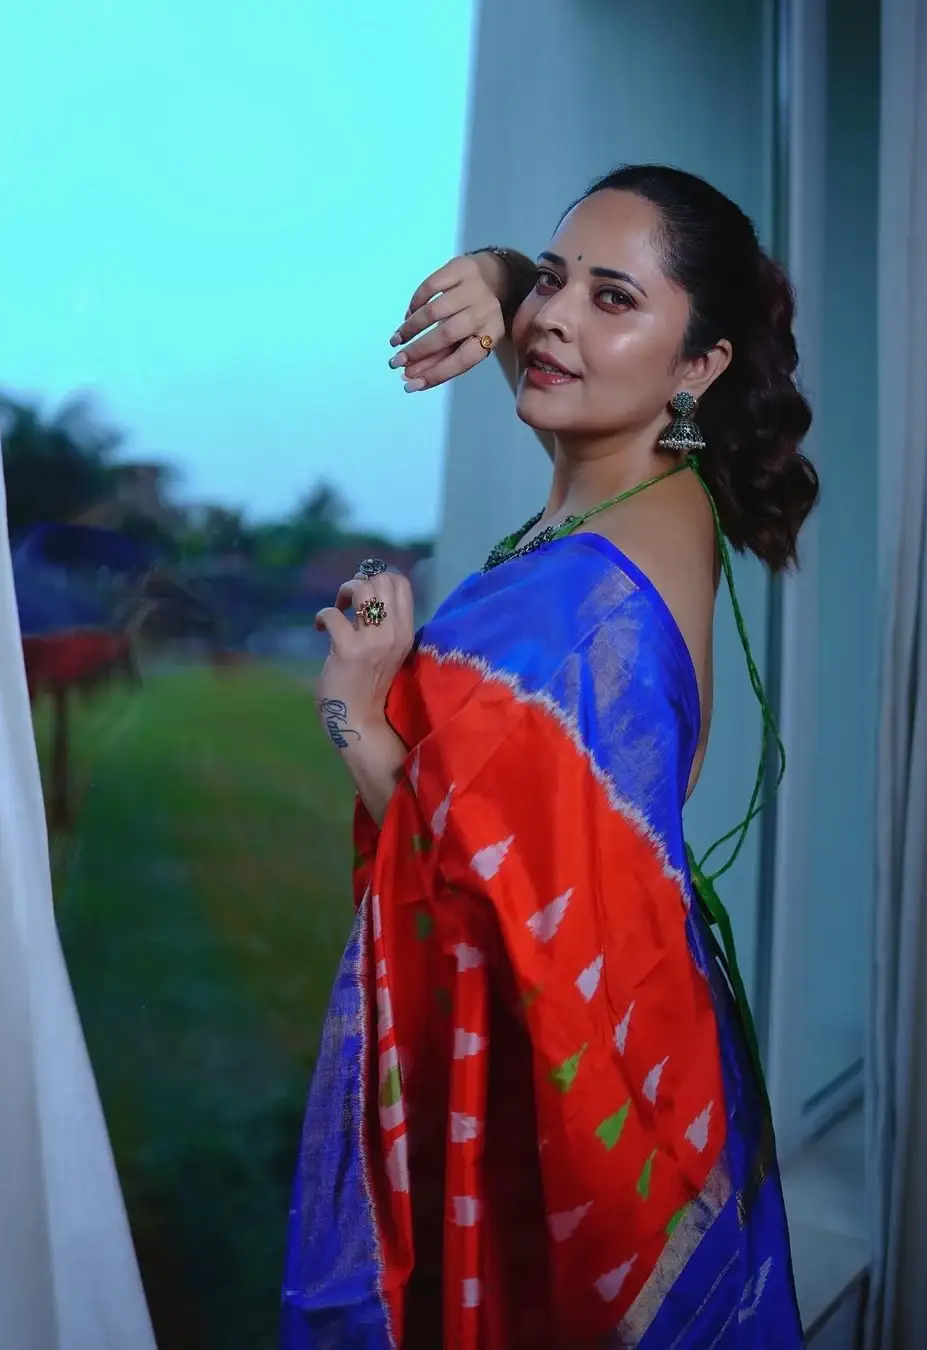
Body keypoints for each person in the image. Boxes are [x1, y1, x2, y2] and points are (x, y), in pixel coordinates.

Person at [280, 165, 819, 1349]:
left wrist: (359, 716)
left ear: (701, 368)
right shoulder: (642, 498)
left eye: (612, 300)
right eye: (559, 276)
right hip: (610, 1073)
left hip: (565, 1134)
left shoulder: (591, 601)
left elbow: (494, 897)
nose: (557, 320)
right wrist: (507, 277)